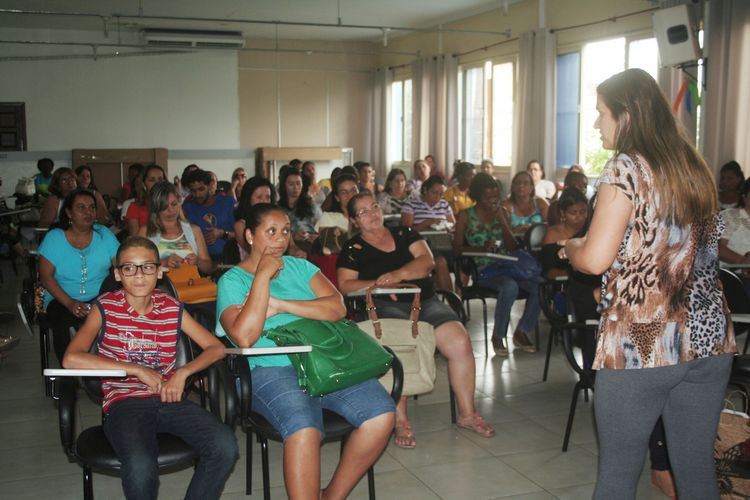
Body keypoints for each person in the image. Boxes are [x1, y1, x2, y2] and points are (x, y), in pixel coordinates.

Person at [563, 68, 736, 499]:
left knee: (618, 475)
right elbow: (704, 254)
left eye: (601, 114)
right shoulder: (694, 167)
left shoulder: (625, 168)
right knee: (695, 470)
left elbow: (595, 258)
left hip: (644, 343)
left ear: (626, 115)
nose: (597, 124)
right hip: (710, 339)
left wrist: (570, 247)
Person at [217, 203, 394, 498]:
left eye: (285, 231)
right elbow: (245, 336)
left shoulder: (301, 267)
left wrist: (280, 306)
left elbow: (336, 307)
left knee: (381, 415)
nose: (280, 239)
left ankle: (331, 496)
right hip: (270, 368)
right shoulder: (232, 281)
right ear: (249, 236)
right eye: (270, 231)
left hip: (323, 358)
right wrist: (261, 277)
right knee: (304, 429)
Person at [63, 236, 238, 499]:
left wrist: (183, 372)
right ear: (118, 274)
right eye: (129, 268)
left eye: (147, 267)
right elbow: (71, 358)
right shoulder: (106, 307)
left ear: (159, 271)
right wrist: (135, 369)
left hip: (169, 397)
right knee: (141, 466)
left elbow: (216, 347)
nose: (138, 275)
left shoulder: (172, 307)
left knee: (224, 446)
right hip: (124, 403)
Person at [337, 192, 495, 449]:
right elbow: (345, 285)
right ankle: (401, 419)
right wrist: (377, 285)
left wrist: (398, 275)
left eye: (374, 206)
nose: (373, 213)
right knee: (402, 347)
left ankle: (467, 414)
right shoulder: (353, 249)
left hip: (425, 301)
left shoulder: (405, 233)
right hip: (385, 306)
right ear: (355, 221)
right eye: (363, 211)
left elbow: (427, 263)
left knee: (459, 341)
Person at [453, 172, 540, 355]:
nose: (492, 201)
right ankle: (498, 336)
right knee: (510, 287)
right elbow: (457, 249)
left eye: (495, 196)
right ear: (477, 196)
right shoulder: (465, 216)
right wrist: (482, 249)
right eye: (488, 197)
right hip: (483, 269)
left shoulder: (503, 213)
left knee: (539, 285)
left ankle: (522, 331)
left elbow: (511, 246)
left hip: (507, 265)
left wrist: (502, 220)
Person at [38, 189, 120, 362]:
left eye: (91, 207)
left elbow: (120, 265)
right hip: (61, 299)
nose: (88, 212)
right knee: (62, 322)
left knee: (115, 316)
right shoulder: (55, 238)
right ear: (68, 212)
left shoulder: (104, 234)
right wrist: (70, 303)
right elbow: (46, 277)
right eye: (81, 207)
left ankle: (104, 370)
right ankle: (68, 373)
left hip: (99, 298)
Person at [138, 181, 212, 275]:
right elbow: (136, 265)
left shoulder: (194, 230)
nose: (170, 210)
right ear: (156, 208)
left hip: (190, 285)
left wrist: (198, 261)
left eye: (174, 204)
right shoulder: (145, 232)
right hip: (158, 287)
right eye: (164, 207)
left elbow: (209, 268)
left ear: (179, 202)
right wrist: (163, 263)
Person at [182, 169, 236, 261]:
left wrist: (223, 234)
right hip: (200, 261)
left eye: (201, 189)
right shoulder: (187, 207)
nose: (197, 194)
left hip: (229, 261)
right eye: (193, 191)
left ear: (210, 186)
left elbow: (243, 235)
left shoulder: (228, 202)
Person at [279, 168, 322, 253]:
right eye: (291, 184)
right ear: (284, 186)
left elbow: (322, 230)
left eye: (298, 183)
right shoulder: (278, 209)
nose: (295, 187)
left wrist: (315, 236)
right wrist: (293, 236)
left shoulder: (312, 207)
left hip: (310, 248)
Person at [233, 176, 277, 259]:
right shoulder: (240, 225)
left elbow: (291, 246)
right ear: (248, 199)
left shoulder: (278, 220)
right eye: (259, 197)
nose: (264, 201)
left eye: (268, 197)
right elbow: (255, 251)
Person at [125, 164, 166, 237]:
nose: (157, 183)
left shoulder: (172, 205)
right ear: (143, 184)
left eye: (160, 179)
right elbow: (135, 241)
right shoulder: (134, 207)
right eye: (152, 180)